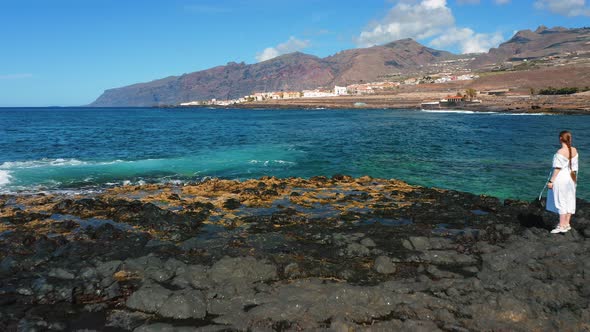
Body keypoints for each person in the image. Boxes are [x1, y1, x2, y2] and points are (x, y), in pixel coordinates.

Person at [547, 130, 579, 234]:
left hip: (561, 179)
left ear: (560, 138)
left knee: (561, 202)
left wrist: (551, 181)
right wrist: (575, 181)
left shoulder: (560, 152)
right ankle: (567, 224)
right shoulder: (574, 150)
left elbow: (557, 168)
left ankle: (561, 226)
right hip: (571, 178)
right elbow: (574, 168)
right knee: (569, 201)